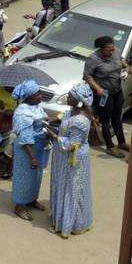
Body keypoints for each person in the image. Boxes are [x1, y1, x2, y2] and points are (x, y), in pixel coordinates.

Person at [49, 83, 95, 238]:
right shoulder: (73, 111)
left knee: (72, 188)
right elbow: (64, 118)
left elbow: (71, 146)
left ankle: (72, 223)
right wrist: (53, 120)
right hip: (63, 159)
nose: (67, 97)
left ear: (79, 100)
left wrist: (53, 136)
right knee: (64, 184)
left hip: (73, 160)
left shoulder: (80, 121)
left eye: (70, 96)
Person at [10, 79, 51, 221]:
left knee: (36, 177)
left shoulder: (37, 107)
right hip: (26, 150)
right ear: (29, 96)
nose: (40, 96)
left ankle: (32, 199)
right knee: (24, 178)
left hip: (38, 147)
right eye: (37, 93)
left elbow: (43, 120)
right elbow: (25, 136)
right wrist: (32, 156)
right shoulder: (22, 112)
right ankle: (19, 206)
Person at [83, 36, 127, 158]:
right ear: (101, 49)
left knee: (117, 117)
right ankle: (110, 146)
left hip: (117, 90)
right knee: (105, 120)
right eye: (109, 50)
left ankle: (122, 142)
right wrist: (98, 89)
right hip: (104, 94)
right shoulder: (93, 59)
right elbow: (88, 77)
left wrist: (125, 67)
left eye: (112, 49)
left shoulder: (115, 51)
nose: (112, 52)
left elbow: (121, 59)